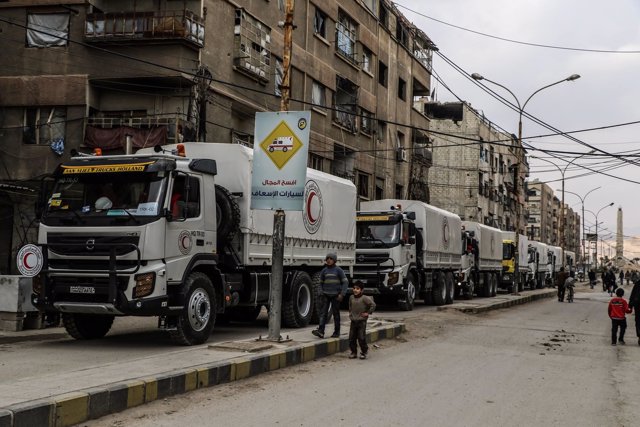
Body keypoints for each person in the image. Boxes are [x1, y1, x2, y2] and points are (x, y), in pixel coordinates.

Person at [312, 252, 349, 339]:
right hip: (326, 295)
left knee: (336, 314)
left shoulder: (338, 270)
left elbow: (345, 282)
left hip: (336, 296)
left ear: (335, 260)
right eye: (327, 258)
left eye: (331, 259)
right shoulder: (324, 271)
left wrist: (342, 294)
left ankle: (337, 332)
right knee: (323, 313)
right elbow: (320, 283)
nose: (328, 260)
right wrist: (320, 292)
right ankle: (321, 331)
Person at [348, 281, 376, 359]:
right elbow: (350, 306)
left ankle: (364, 352)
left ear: (362, 290)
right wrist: (350, 314)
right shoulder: (351, 297)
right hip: (353, 321)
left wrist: (368, 313)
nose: (355, 290)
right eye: (354, 288)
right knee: (351, 338)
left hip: (361, 321)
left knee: (361, 338)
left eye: (357, 288)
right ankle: (353, 352)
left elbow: (373, 305)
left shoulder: (364, 298)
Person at [628, 277, 640, 345]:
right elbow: (633, 294)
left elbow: (633, 294)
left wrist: (630, 305)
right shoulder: (637, 283)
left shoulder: (637, 283)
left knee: (638, 321)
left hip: (637, 305)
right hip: (638, 305)